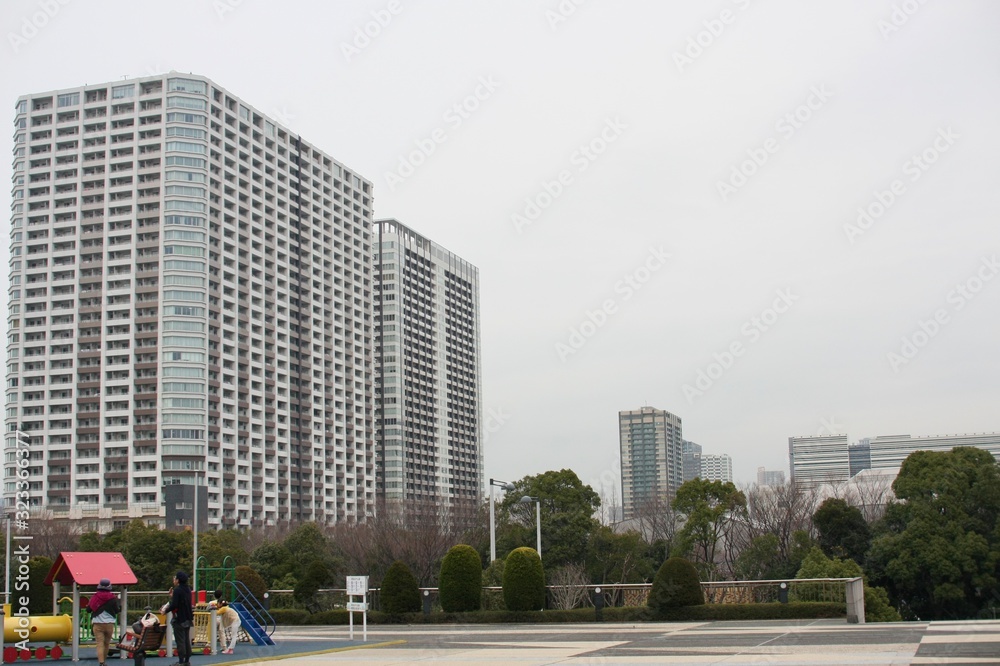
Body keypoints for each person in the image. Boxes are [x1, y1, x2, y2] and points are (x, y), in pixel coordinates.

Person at [160, 571, 193, 666]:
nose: (174, 580)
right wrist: (173, 596)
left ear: (178, 580)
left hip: (180, 618)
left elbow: (175, 604)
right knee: (186, 640)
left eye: (175, 578)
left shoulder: (178, 590)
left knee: (180, 640)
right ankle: (186, 660)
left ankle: (181, 661)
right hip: (188, 617)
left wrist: (165, 611)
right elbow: (182, 601)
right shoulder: (188, 589)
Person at [88, 578, 119, 666]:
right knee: (106, 644)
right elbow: (116, 611)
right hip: (109, 624)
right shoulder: (112, 598)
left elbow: (88, 609)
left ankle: (101, 663)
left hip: (97, 624)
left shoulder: (95, 597)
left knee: (100, 644)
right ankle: (104, 662)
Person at [210, 590, 241, 655]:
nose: (217, 604)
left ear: (221, 604)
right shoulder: (225, 607)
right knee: (231, 635)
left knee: (233, 635)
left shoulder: (223, 608)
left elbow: (216, 612)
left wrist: (213, 607)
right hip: (235, 621)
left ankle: (230, 649)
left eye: (218, 603)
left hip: (235, 621)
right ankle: (229, 648)